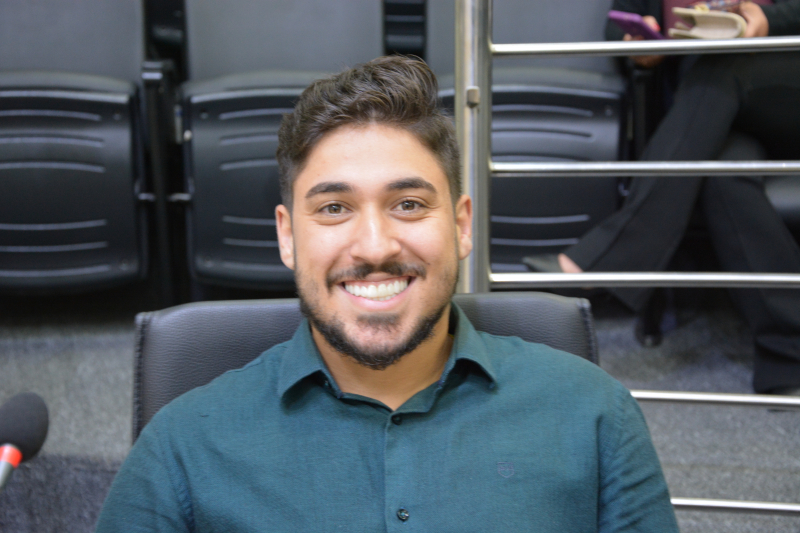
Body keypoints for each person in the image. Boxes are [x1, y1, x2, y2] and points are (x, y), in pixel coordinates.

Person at [95, 57, 678, 532]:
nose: (374, 245)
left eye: (408, 204)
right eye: (334, 208)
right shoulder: (181, 447)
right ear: (287, 237)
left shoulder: (593, 414)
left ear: (462, 225)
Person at [526, 0, 800, 395]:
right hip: (711, 114)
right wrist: (636, 43)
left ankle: (612, 254)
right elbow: (619, 21)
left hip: (781, 81)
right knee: (723, 172)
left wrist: (771, 19)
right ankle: (788, 357)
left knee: (720, 65)